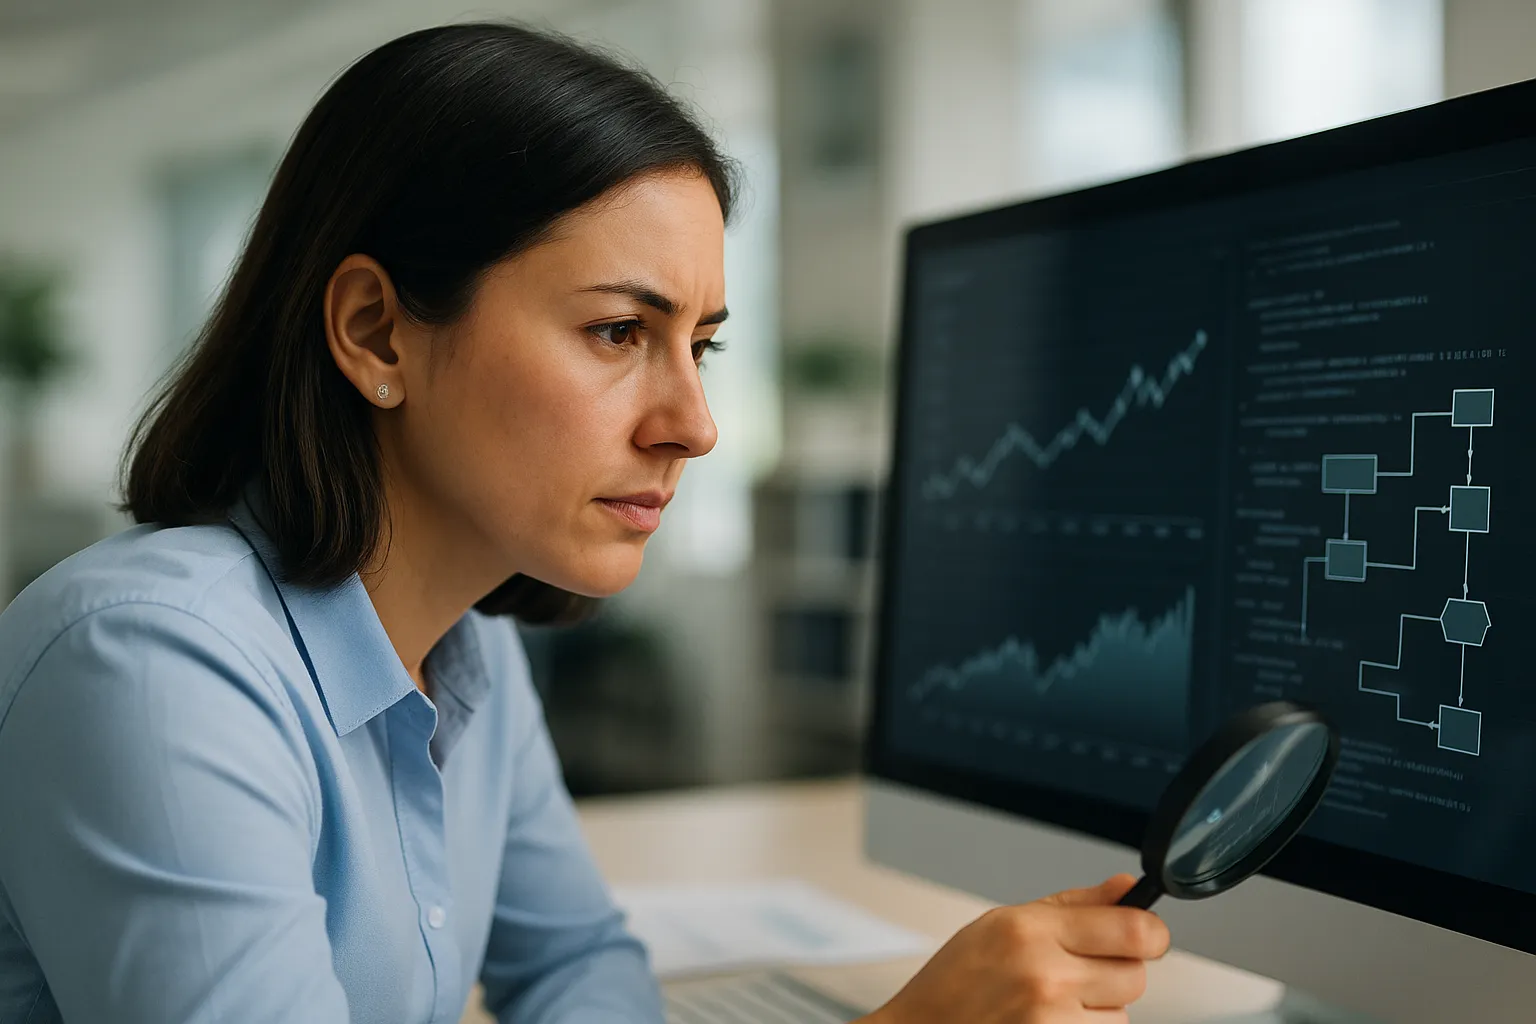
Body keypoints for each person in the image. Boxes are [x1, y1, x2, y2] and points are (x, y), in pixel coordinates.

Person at [0, 22, 1169, 1024]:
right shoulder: (150, 667)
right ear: (375, 332)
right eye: (618, 332)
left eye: (700, 345)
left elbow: (574, 965)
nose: (696, 424)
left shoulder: (467, 648)